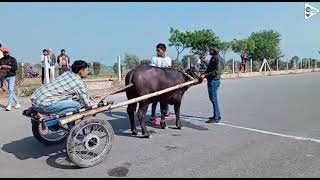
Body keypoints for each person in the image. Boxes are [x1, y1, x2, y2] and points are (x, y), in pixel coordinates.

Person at [30, 60, 104, 118]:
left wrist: (90, 97)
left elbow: (68, 95)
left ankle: (42, 111)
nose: (88, 72)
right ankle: (49, 116)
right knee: (77, 106)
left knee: (71, 101)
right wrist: (97, 103)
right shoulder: (79, 83)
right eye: (87, 70)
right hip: (45, 105)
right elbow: (87, 104)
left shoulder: (66, 73)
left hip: (35, 100)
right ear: (81, 72)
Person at [198, 44, 225, 123]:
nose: (209, 51)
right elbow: (209, 69)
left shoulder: (217, 58)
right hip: (212, 80)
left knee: (214, 99)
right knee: (213, 99)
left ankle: (217, 117)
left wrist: (205, 75)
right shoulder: (214, 58)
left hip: (214, 81)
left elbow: (217, 71)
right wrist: (202, 73)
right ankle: (215, 115)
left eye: (211, 50)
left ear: (214, 50)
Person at [150, 43, 172, 122]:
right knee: (154, 99)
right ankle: (153, 115)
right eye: (156, 50)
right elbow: (152, 69)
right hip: (156, 81)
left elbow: (168, 69)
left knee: (166, 97)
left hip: (165, 81)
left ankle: (166, 112)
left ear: (163, 50)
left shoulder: (168, 59)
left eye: (158, 50)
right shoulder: (154, 58)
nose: (157, 52)